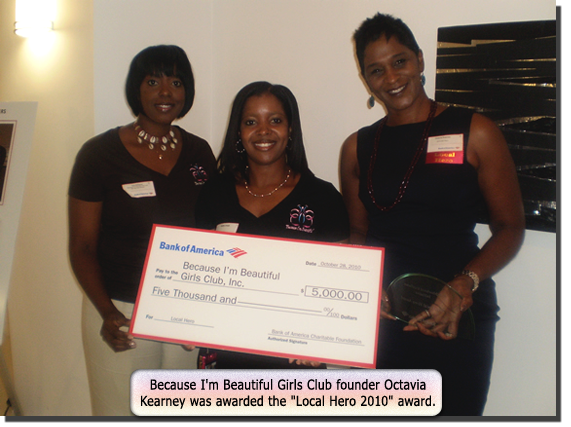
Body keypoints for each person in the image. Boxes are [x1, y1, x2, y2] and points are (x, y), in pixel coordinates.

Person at [340, 14, 525, 416]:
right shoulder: (357, 147)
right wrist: (362, 286)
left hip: (456, 314)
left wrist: (464, 284)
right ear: (366, 79)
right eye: (376, 70)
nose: (391, 77)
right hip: (381, 317)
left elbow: (511, 227)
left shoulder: (475, 131)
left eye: (400, 61)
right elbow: (357, 232)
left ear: (420, 60)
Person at [68, 45, 216, 415]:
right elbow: (82, 247)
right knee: (121, 411)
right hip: (122, 309)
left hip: (183, 310)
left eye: (176, 82)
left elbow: (213, 233)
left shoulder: (200, 152)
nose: (166, 93)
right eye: (153, 82)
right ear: (136, 88)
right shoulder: (98, 155)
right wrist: (106, 312)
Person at [195, 81, 350, 368]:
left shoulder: (323, 198)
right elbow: (198, 272)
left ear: (290, 129)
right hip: (229, 358)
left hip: (297, 362)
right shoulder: (214, 193)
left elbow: (341, 285)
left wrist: (325, 338)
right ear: (238, 132)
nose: (263, 131)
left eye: (275, 120)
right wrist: (186, 321)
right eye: (251, 122)